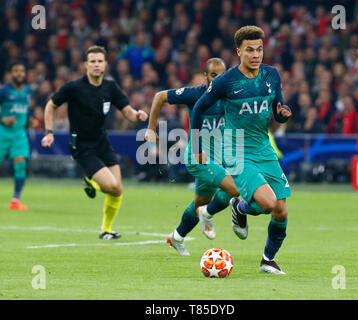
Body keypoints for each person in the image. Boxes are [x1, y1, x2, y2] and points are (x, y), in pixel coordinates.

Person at [191, 26, 292, 274]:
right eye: (250, 50)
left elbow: (278, 112)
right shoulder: (226, 81)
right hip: (235, 148)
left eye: (259, 49)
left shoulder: (271, 75)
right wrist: (197, 147)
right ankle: (239, 207)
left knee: (281, 211)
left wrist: (281, 115)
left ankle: (268, 260)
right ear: (239, 51)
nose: (256, 55)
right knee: (267, 203)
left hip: (263, 147)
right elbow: (198, 109)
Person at [41, 45, 148, 239]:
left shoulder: (110, 87)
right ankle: (90, 180)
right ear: (86, 65)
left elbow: (127, 111)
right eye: (93, 62)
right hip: (82, 146)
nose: (96, 65)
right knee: (110, 186)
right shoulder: (74, 87)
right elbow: (51, 105)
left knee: (117, 189)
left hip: (102, 142)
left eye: (100, 61)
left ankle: (106, 230)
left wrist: (138, 115)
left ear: (106, 64)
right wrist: (49, 132)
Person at [145, 58, 240, 255]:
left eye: (222, 75)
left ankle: (177, 237)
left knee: (200, 202)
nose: (218, 79)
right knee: (237, 188)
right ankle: (208, 214)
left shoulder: (229, 95)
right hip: (198, 159)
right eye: (213, 75)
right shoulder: (194, 94)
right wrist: (151, 129)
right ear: (205, 76)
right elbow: (159, 97)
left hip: (219, 159)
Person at [0, 61, 33, 210]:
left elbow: (26, 110)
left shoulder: (28, 91)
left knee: (20, 164)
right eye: (16, 71)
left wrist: (31, 119)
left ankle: (15, 200)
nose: (19, 74)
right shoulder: (4, 91)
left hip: (19, 133)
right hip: (3, 132)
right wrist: (3, 119)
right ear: (10, 74)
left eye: (22, 71)